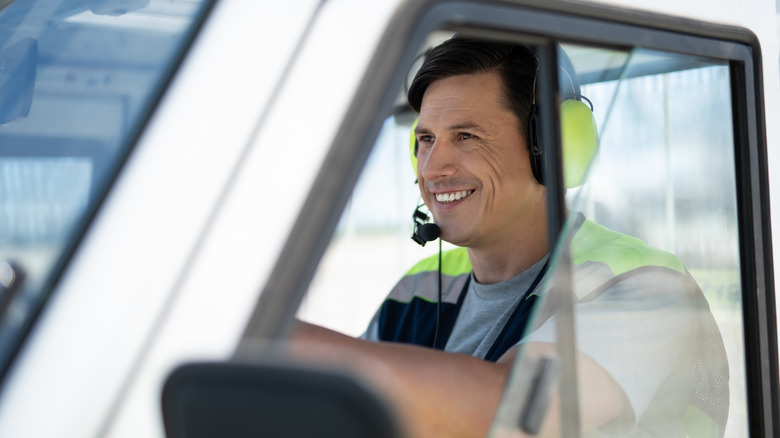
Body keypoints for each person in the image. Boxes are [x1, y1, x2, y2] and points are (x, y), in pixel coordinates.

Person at [290, 35, 729, 438]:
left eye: (466, 136)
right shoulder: (417, 290)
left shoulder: (647, 286)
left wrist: (277, 338)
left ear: (553, 148)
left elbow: (515, 413)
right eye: (425, 139)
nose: (432, 168)